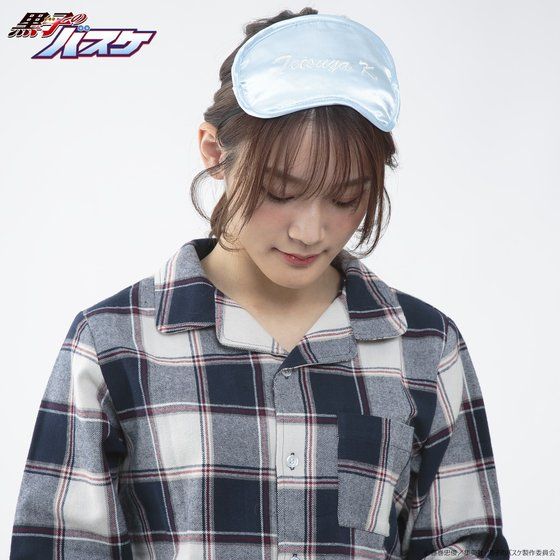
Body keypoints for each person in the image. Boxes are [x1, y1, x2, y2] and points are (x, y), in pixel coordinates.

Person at [10, 7, 509, 560]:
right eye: (280, 191)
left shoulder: (425, 347)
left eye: (346, 198)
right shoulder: (112, 344)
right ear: (213, 152)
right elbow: (56, 547)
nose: (310, 231)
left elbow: (469, 545)